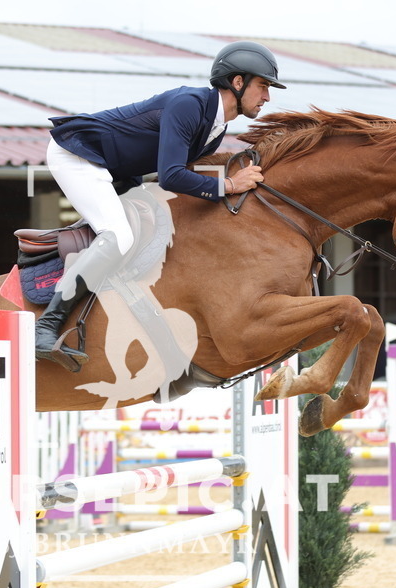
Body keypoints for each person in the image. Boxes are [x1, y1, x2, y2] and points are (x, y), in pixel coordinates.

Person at [36, 41, 286, 371]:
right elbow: (170, 176)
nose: (267, 97)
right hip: (80, 155)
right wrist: (228, 185)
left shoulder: (216, 127)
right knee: (119, 237)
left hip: (120, 172)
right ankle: (46, 327)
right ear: (237, 82)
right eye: (263, 85)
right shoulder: (189, 105)